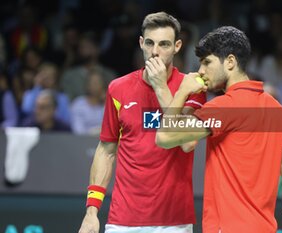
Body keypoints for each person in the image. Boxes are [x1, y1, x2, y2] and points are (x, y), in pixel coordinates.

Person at [155, 26, 282, 233]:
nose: (200, 71)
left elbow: (165, 136)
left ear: (231, 62)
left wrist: (182, 91)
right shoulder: (278, 111)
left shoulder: (222, 108)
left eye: (207, 62)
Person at [78, 12, 206, 233]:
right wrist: (91, 211)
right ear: (141, 43)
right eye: (150, 43)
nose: (155, 51)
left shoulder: (192, 87)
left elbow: (186, 143)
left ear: (177, 46)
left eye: (164, 44)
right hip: (122, 220)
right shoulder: (117, 88)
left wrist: (160, 88)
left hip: (173, 221)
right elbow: (107, 150)